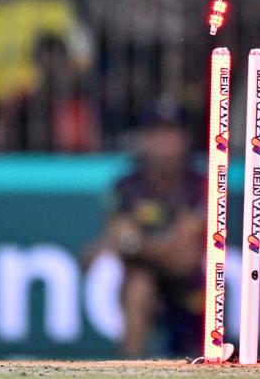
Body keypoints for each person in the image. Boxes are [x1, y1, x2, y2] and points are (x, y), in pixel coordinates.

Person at [86, 104, 205, 358]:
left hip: (194, 288)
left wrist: (136, 244)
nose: (163, 143)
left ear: (185, 139)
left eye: (170, 134)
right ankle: (130, 370)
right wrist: (147, 244)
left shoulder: (200, 185)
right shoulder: (127, 186)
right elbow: (98, 251)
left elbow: (184, 259)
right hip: (146, 284)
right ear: (141, 140)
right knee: (138, 285)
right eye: (155, 134)